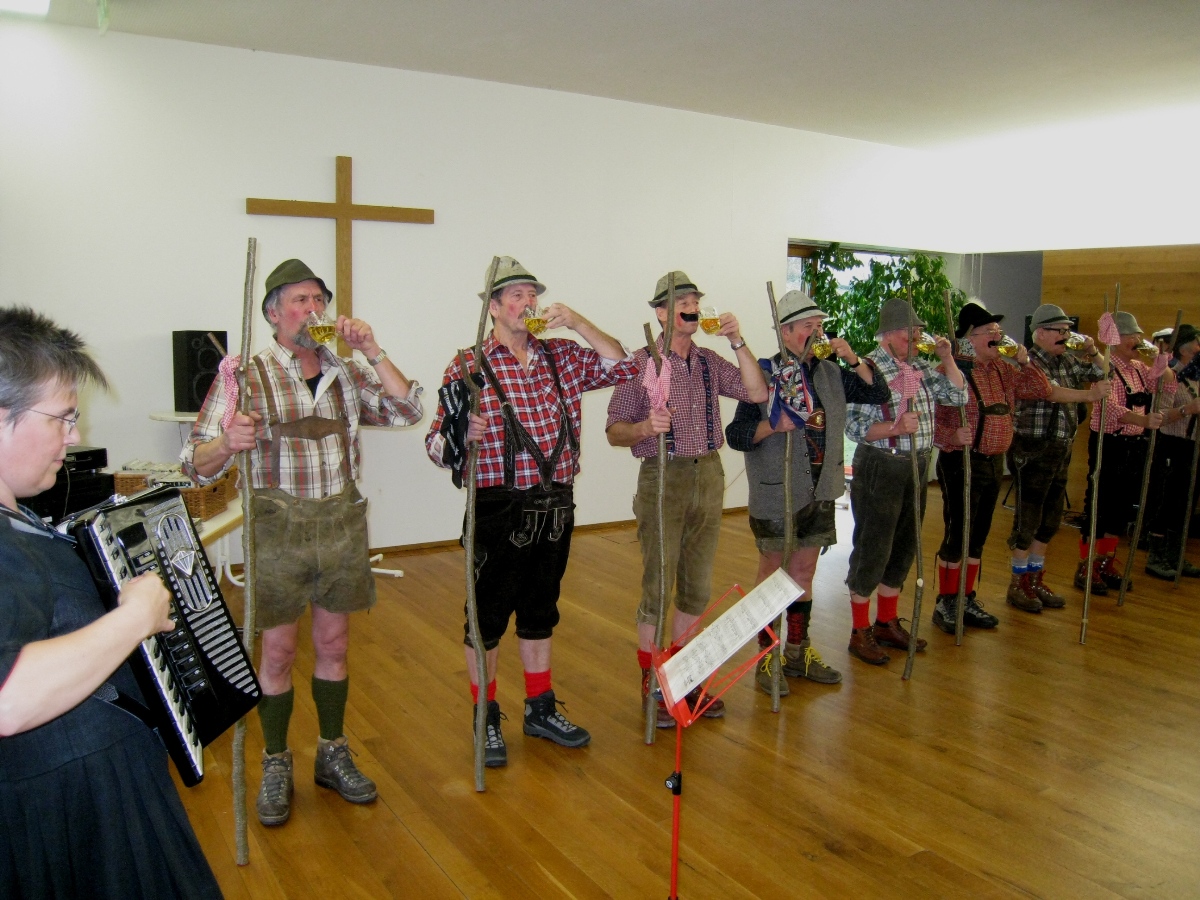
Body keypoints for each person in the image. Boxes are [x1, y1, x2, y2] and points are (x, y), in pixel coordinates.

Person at [182, 259, 423, 826]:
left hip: (340, 523)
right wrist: (227, 442)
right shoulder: (245, 375)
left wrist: (372, 349)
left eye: (319, 300)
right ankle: (276, 760)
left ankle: (332, 753)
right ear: (273, 313)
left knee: (334, 645)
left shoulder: (346, 369)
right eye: (299, 300)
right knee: (278, 652)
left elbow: (407, 408)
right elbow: (193, 463)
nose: (313, 310)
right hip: (278, 531)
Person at [0, 307, 222, 898]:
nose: (74, 436)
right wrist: (134, 619)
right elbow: (7, 698)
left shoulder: (17, 516)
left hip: (99, 798)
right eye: (62, 418)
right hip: (72, 821)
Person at [426, 256, 634, 766]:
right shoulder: (468, 365)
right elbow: (436, 445)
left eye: (532, 294)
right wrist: (462, 435)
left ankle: (540, 708)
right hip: (498, 508)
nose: (528, 303)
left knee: (541, 611)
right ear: (494, 307)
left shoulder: (562, 354)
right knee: (486, 619)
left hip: (556, 505)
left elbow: (623, 365)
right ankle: (485, 715)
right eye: (516, 295)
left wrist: (578, 322)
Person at [606, 271, 767, 726]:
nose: (692, 306)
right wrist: (644, 428)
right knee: (658, 585)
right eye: (682, 301)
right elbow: (614, 430)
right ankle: (653, 682)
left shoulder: (710, 361)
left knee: (697, 586)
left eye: (695, 300)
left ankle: (684, 675)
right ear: (661, 313)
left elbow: (756, 391)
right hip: (664, 475)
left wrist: (737, 341)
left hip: (709, 474)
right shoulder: (641, 362)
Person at [725, 290, 887, 695]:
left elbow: (878, 394)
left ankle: (797, 652)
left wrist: (853, 359)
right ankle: (767, 658)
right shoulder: (763, 374)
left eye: (820, 326)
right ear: (785, 332)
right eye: (808, 327)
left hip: (821, 490)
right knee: (771, 576)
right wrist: (771, 427)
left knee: (803, 574)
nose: (817, 333)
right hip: (776, 492)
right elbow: (737, 434)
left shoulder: (832, 372)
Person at [932, 301, 1105, 626]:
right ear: (970, 338)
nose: (998, 336)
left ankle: (966, 598)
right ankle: (947, 602)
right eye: (990, 331)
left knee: (978, 536)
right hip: (962, 462)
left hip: (994, 463)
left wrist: (1025, 362)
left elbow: (1042, 389)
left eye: (999, 330)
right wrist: (950, 436)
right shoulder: (950, 372)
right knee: (958, 536)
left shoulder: (1003, 369)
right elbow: (931, 420)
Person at [843, 296, 966, 665]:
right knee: (873, 548)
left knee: (904, 546)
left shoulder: (920, 366)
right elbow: (853, 427)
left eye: (918, 334)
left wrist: (947, 359)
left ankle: (885, 621)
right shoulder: (866, 369)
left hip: (916, 465)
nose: (915, 340)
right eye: (908, 334)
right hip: (881, 465)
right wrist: (894, 428)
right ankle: (859, 630)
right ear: (887, 335)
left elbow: (957, 394)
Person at [1006, 304, 1107, 602]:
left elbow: (1106, 371)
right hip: (1032, 447)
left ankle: (1035, 579)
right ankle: (1017, 583)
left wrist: (1093, 351)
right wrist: (1089, 395)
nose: (1066, 335)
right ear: (1040, 333)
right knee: (1028, 519)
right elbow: (1048, 391)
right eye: (1059, 330)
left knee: (1050, 519)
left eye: (1067, 330)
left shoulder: (1068, 360)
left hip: (1061, 447)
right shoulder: (1026, 363)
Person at [1077, 311, 1173, 592]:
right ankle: (1086, 566)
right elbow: (1110, 410)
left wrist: (1160, 358)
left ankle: (1106, 562)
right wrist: (1142, 421)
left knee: (1120, 509)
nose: (1137, 341)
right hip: (1109, 444)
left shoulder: (1139, 368)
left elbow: (1167, 384)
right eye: (1131, 336)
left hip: (1134, 446)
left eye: (1139, 336)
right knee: (1099, 505)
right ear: (1116, 339)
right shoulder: (1104, 368)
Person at [1143, 324, 1200, 579]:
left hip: (1193, 445)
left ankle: (1175, 555)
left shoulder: (1196, 377)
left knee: (1186, 501)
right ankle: (1156, 556)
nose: (1199, 348)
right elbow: (1159, 415)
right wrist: (1188, 410)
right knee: (1166, 500)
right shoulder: (1168, 376)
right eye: (1196, 343)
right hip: (1171, 443)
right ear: (1183, 348)